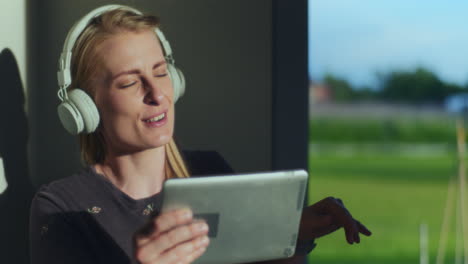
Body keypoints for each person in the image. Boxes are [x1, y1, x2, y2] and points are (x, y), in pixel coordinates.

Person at [29, 5, 371, 264]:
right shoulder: (61, 207)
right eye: (130, 82)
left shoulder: (211, 170)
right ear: (85, 107)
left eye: (161, 73)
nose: (157, 94)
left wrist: (291, 236)